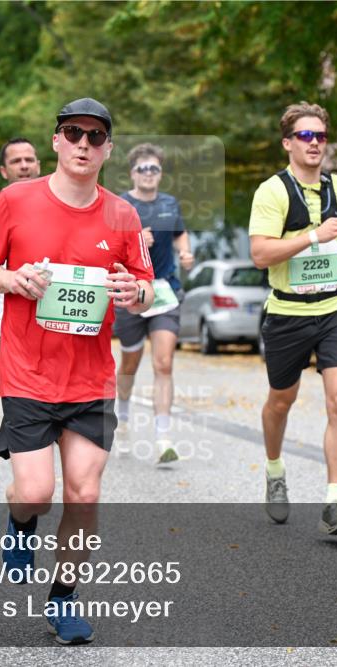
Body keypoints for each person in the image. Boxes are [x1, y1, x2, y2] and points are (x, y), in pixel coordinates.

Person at [0, 98, 155, 645]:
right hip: (28, 371)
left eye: (95, 137)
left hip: (90, 377)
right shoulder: (15, 199)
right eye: (73, 133)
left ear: (108, 150)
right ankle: (21, 522)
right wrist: (13, 281)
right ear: (55, 140)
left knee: (84, 492)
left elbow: (146, 288)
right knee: (35, 492)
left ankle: (64, 600)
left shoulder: (122, 214)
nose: (83, 143)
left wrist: (135, 293)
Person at [248, 102, 337, 536]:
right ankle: (274, 469)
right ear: (287, 143)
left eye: (320, 136)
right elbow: (260, 254)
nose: (315, 143)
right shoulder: (272, 192)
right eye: (306, 136)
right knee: (280, 401)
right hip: (286, 311)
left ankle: (334, 502)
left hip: (335, 308)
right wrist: (311, 237)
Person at [113, 143, 194, 464]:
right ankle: (122, 419)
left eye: (154, 169)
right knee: (130, 364)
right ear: (133, 173)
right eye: (142, 169)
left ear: (160, 173)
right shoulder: (120, 205)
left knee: (164, 363)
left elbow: (180, 235)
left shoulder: (170, 204)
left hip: (164, 292)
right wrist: (133, 240)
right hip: (131, 292)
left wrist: (186, 253)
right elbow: (107, 247)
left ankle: (163, 437)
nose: (149, 174)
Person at [0, 137, 42, 343]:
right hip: (9, 318)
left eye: (29, 160)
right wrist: (10, 280)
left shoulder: (65, 207)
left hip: (56, 314)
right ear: (4, 171)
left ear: (38, 166)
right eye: (16, 161)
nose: (23, 166)